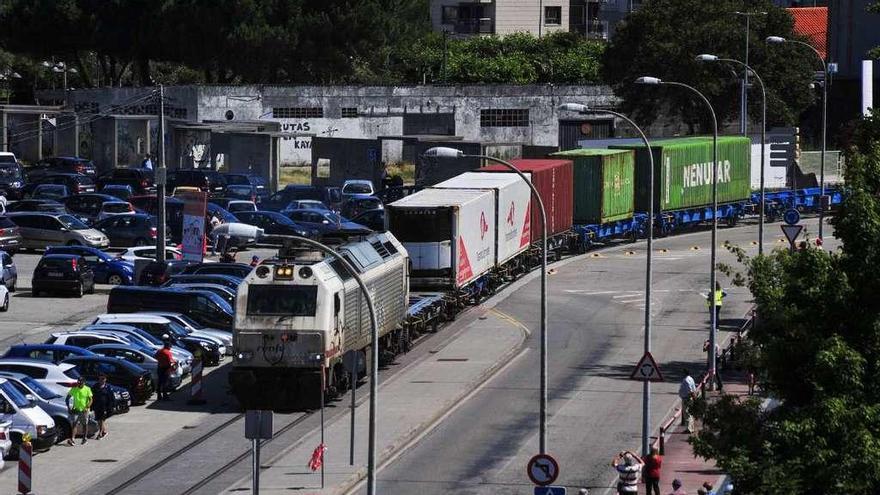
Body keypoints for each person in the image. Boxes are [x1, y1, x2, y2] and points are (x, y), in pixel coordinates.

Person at [65, 377, 93, 446]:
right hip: (76, 409)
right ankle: (72, 439)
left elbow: (91, 400)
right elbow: (67, 399)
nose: (79, 383)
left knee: (84, 424)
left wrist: (87, 407)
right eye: (79, 381)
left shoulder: (87, 389)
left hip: (84, 410)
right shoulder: (74, 389)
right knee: (74, 424)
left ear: (84, 382)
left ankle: (84, 438)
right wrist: (69, 407)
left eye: (81, 382)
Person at [92, 373, 113, 439]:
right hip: (97, 406)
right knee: (98, 420)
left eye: (103, 379)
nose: (101, 380)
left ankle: (100, 433)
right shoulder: (95, 386)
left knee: (102, 420)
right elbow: (92, 396)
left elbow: (111, 397)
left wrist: (111, 406)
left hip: (104, 407)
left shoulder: (108, 387)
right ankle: (104, 431)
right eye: (100, 379)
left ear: (105, 379)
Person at [678, 369, 697, 433]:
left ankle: (689, 429)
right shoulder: (691, 378)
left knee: (687, 413)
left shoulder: (686, 380)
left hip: (687, 398)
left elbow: (690, 390)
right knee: (690, 414)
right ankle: (691, 428)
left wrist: (694, 398)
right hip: (689, 398)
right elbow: (694, 389)